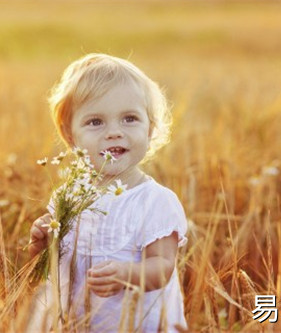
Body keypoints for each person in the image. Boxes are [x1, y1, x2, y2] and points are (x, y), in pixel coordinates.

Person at [28, 53, 188, 332]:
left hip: (138, 324)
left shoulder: (155, 201)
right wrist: (42, 241)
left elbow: (163, 266)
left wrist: (128, 274)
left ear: (150, 129)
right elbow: (48, 265)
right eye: (95, 122)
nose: (114, 132)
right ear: (69, 135)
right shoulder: (67, 198)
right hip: (78, 324)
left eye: (129, 119)